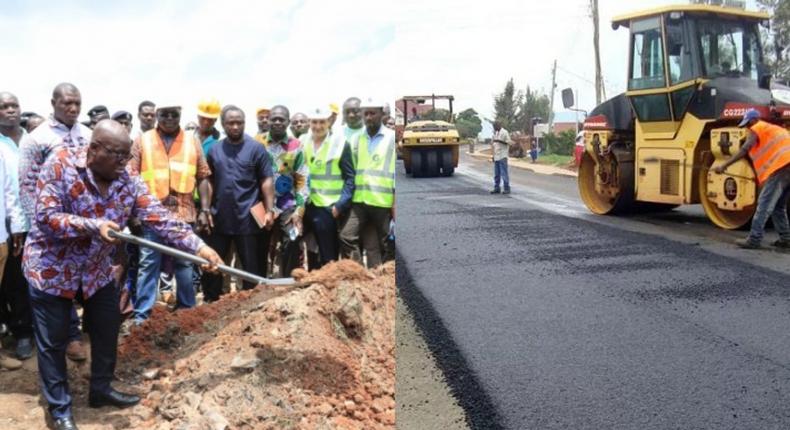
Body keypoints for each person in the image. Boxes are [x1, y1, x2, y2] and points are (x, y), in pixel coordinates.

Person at [24, 120, 221, 430]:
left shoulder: (127, 179)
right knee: (54, 341)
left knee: (106, 328)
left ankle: (101, 389)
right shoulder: (60, 164)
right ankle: (59, 408)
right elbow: (47, 218)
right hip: (52, 268)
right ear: (93, 150)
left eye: (127, 155)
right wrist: (93, 226)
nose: (124, 161)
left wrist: (200, 248)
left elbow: (159, 218)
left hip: (95, 271)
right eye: (116, 154)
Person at [20, 82, 91, 362]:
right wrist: (38, 226)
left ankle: (75, 334)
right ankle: (63, 339)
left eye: (77, 103)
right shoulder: (36, 139)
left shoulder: (87, 134)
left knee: (78, 280)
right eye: (67, 103)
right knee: (53, 285)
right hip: (50, 228)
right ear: (53, 103)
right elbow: (26, 185)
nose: (72, 108)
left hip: (84, 224)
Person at [128, 103, 212, 323]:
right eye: (164, 114)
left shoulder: (192, 141)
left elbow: (203, 176)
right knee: (148, 264)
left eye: (174, 114)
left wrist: (204, 209)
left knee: (184, 263)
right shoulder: (142, 140)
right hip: (150, 215)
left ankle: (186, 311)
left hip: (183, 213)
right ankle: (143, 316)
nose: (169, 118)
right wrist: (132, 213)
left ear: (180, 116)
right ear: (156, 116)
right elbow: (130, 178)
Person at [203, 105, 274, 300]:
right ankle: (211, 301)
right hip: (220, 217)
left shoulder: (256, 149)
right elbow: (208, 180)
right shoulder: (215, 150)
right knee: (213, 264)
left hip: (248, 218)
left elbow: (266, 180)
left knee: (251, 266)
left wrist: (269, 210)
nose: (235, 127)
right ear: (223, 124)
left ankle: (250, 304)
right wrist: (206, 209)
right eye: (230, 123)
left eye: (239, 122)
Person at [714, 108, 790, 249]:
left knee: (764, 204)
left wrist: (724, 165)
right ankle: (786, 238)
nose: (747, 128)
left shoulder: (757, 128)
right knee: (778, 206)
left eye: (748, 124)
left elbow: (744, 149)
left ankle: (754, 239)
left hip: (782, 167)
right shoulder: (773, 129)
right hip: (786, 166)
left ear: (754, 120)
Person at [339, 98, 396, 268]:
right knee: (346, 236)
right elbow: (350, 171)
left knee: (388, 241)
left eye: (373, 113)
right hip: (360, 201)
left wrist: (395, 203)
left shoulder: (391, 138)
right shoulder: (355, 139)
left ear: (381, 114)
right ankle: (359, 274)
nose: (369, 117)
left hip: (383, 201)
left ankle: (387, 278)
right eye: (366, 113)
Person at [0, 92, 30, 369]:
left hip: (40, 221)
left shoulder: (33, 138)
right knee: (15, 281)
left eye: (14, 105)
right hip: (9, 226)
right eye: (4, 107)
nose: (10, 110)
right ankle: (22, 333)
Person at [303, 107, 355, 267]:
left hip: (328, 207)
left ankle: (329, 288)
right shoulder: (303, 142)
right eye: (314, 122)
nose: (317, 126)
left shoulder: (339, 144)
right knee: (309, 251)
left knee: (328, 256)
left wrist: (339, 206)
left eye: (321, 122)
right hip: (307, 204)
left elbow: (350, 178)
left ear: (328, 123)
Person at [262, 105, 308, 276]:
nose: (278, 122)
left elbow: (302, 179)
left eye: (282, 119)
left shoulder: (296, 146)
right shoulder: (257, 142)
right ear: (268, 121)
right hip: (261, 204)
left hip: (287, 203)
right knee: (260, 244)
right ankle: (260, 282)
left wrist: (299, 211)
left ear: (288, 122)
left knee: (293, 238)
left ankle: (289, 282)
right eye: (274, 118)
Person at [491, 121, 512, 194]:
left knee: (504, 173)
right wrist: (493, 156)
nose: (494, 128)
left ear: (499, 125)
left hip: (503, 156)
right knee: (497, 174)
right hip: (496, 156)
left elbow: (509, 142)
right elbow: (494, 145)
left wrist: (499, 141)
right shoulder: (496, 133)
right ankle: (497, 188)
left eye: (495, 126)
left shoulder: (505, 132)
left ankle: (507, 188)